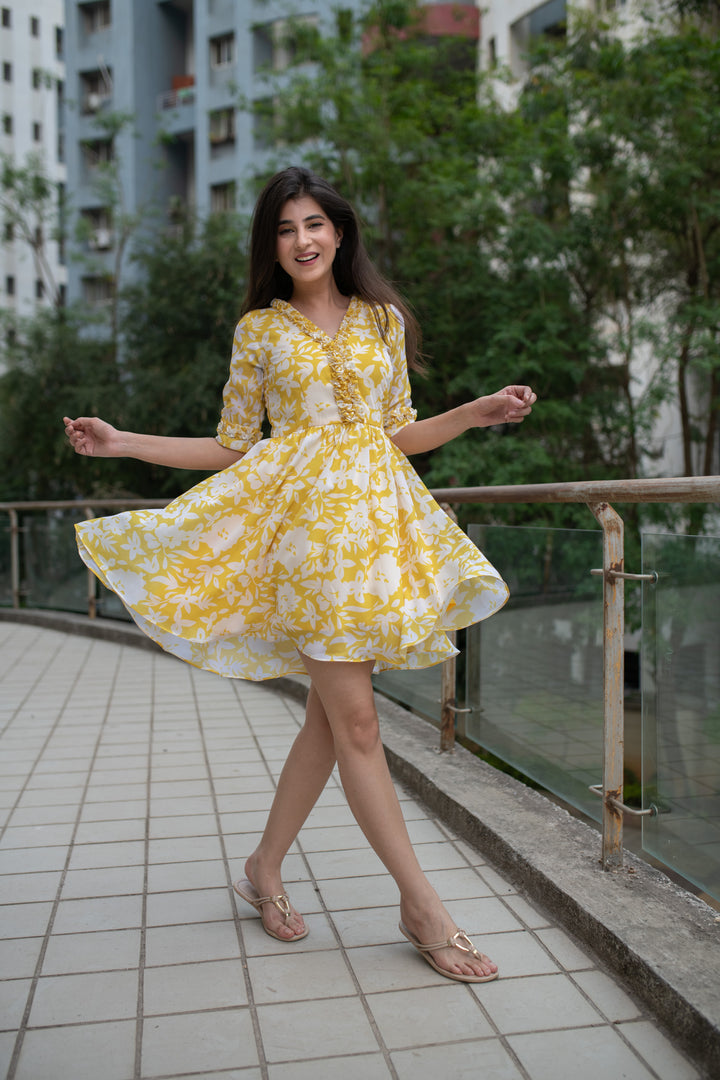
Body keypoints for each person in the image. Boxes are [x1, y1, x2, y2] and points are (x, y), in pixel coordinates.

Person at [64, 166, 536, 983]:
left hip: (374, 544)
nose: (302, 241)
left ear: (340, 232)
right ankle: (421, 905)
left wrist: (473, 413)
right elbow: (233, 447)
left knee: (329, 720)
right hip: (305, 550)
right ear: (272, 246)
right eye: (284, 230)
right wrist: (125, 442)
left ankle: (263, 868)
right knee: (358, 726)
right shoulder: (260, 332)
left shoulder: (382, 322)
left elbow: (396, 434)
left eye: (313, 224)